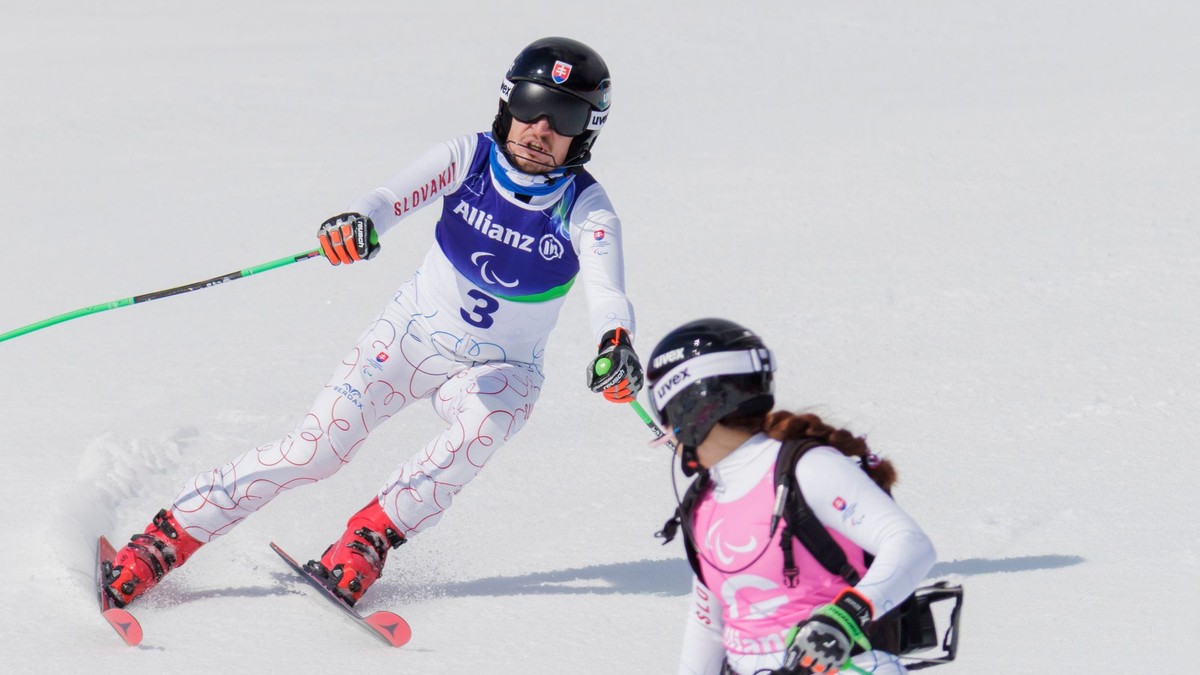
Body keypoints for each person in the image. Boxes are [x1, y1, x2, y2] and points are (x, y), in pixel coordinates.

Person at [102, 36, 643, 609]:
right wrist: (356, 224)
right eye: (531, 106)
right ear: (508, 104)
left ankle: (368, 538)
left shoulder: (586, 209)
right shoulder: (469, 158)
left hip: (501, 367)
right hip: (411, 336)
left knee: (488, 426)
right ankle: (168, 536)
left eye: (563, 117)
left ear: (586, 133)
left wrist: (616, 344)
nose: (540, 129)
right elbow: (386, 200)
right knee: (315, 451)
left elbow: (608, 294)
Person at [645, 318, 937, 675]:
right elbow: (707, 624)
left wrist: (846, 616)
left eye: (664, 415)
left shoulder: (807, 469)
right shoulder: (703, 501)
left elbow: (910, 544)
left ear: (694, 407)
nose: (667, 434)